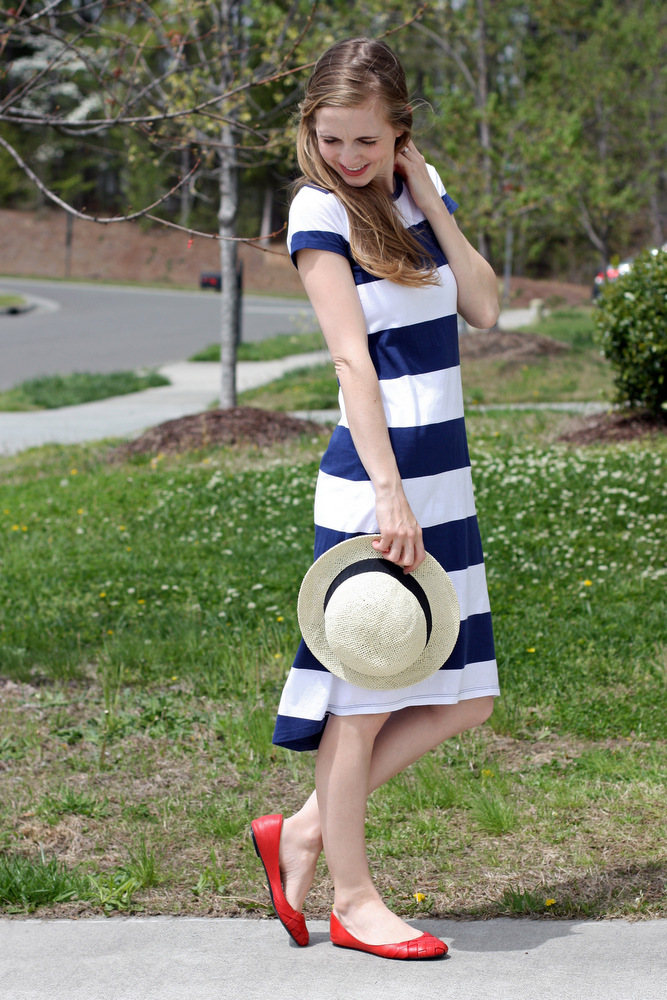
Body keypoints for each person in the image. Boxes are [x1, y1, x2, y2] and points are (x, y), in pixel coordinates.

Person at [251, 36, 500, 961]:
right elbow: (352, 361)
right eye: (331, 138)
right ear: (310, 134)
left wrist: (425, 194)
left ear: (399, 133)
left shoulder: (411, 193)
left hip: (444, 482)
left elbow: (483, 307)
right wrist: (388, 497)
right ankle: (351, 901)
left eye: (366, 141)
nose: (347, 159)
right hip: (376, 484)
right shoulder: (318, 211)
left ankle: (306, 829)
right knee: (358, 705)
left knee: (465, 695)